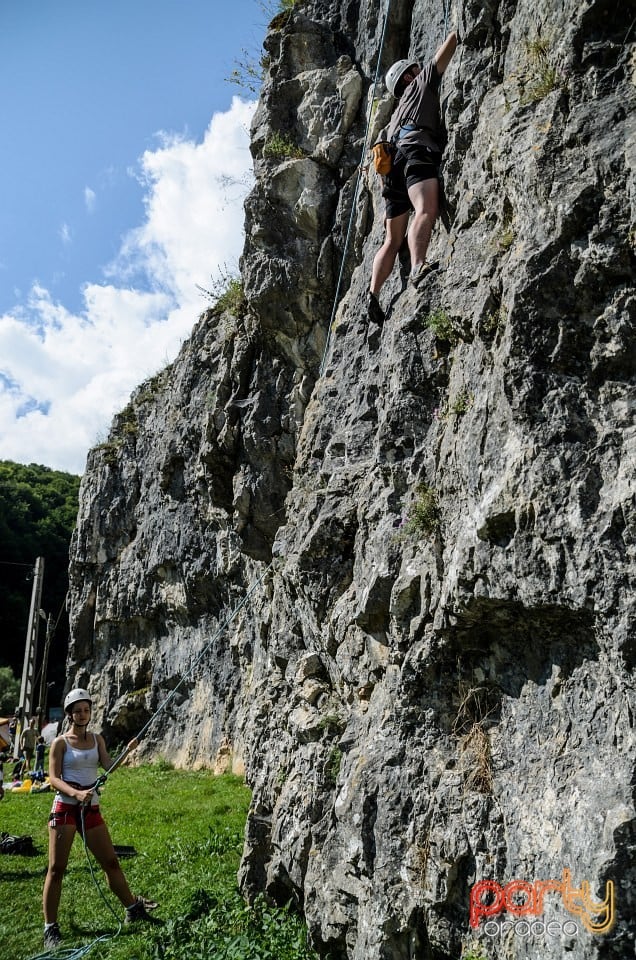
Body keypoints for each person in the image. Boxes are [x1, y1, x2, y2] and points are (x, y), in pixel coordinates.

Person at [42, 688, 156, 949]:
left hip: (90, 809)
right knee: (56, 869)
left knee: (111, 863)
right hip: (66, 809)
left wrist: (127, 752)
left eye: (86, 710)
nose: (83, 715)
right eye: (78, 711)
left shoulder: (97, 739)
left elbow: (108, 766)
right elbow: (53, 779)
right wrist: (76, 793)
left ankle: (132, 908)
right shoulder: (60, 743)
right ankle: (50, 929)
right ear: (70, 714)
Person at [368, 31, 458, 324]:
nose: (419, 71)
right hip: (416, 152)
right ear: (408, 77)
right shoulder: (419, 84)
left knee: (391, 239)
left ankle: (373, 295)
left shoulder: (394, 119)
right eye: (414, 70)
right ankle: (418, 265)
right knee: (426, 208)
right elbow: (440, 59)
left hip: (392, 172)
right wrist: (456, 33)